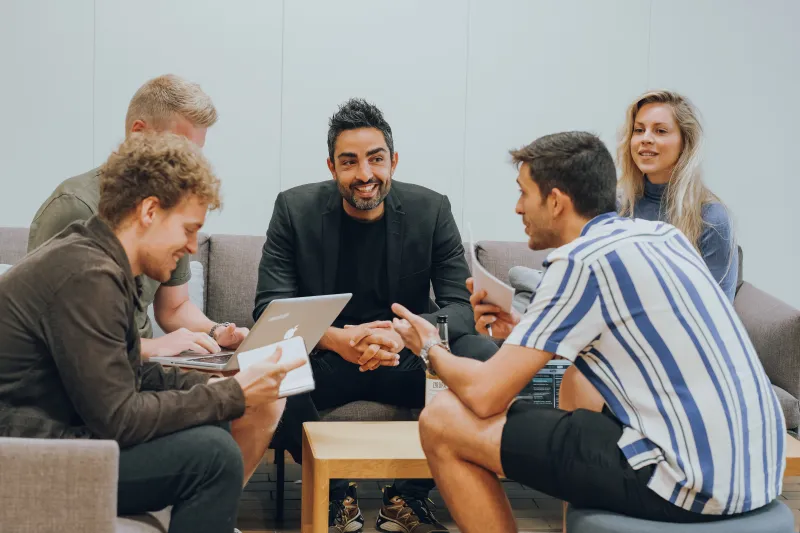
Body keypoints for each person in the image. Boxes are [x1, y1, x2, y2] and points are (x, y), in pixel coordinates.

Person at [391, 131, 785, 532]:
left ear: (556, 201)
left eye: (524, 193)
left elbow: (485, 395)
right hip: (757, 471)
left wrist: (429, 347)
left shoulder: (580, 261)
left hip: (688, 484)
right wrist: (523, 329)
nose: (517, 207)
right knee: (578, 381)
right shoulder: (663, 237)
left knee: (442, 419)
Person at [0, 133, 304, 533]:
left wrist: (221, 380)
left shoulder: (97, 260)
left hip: (51, 433)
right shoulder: (88, 276)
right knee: (215, 457)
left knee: (212, 428)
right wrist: (232, 394)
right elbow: (119, 419)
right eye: (188, 229)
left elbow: (128, 374)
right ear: (149, 211)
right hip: (25, 454)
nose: (193, 246)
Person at [255, 98, 498, 533]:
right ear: (332, 167)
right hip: (329, 359)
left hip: (406, 357)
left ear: (393, 161)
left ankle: (407, 499)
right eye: (349, 162)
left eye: (375, 159)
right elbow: (270, 309)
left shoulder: (431, 210)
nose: (364, 174)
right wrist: (336, 339)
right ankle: (335, 496)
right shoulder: (294, 209)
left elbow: (459, 307)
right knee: (268, 368)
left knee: (481, 353)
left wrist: (404, 335)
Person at [27, 74, 249, 359]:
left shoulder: (172, 213)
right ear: (138, 133)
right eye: (181, 149)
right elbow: (55, 336)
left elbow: (174, 307)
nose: (190, 165)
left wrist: (217, 332)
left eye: (196, 153)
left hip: (138, 365)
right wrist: (151, 348)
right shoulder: (75, 207)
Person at [617, 89, 738, 302]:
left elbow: (718, 309)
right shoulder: (617, 206)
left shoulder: (711, 218)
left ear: (685, 143)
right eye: (639, 130)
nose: (645, 139)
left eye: (660, 131)